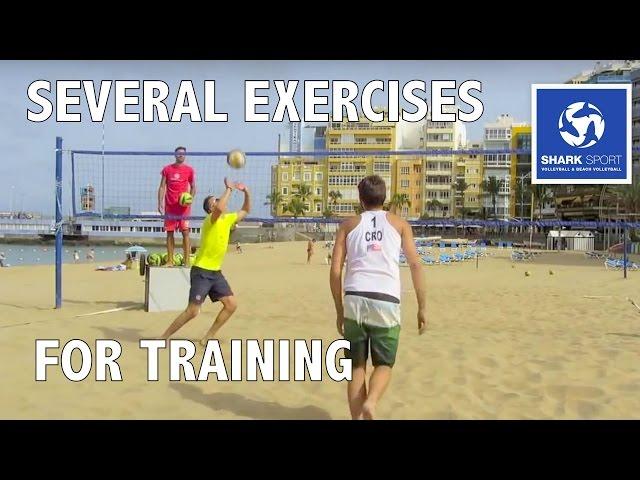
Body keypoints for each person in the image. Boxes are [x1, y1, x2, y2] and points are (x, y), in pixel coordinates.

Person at [330, 175, 427, 420]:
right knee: (384, 364)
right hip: (386, 298)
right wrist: (422, 306)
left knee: (356, 367)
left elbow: (335, 271)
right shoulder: (400, 224)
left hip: (354, 296)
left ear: (361, 199)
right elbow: (415, 265)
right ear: (384, 198)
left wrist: (340, 310)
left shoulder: (348, 225)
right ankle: (371, 402)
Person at [161, 178, 251, 345]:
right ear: (211, 208)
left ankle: (208, 336)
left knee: (231, 305)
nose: (218, 201)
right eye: (214, 201)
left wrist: (246, 192)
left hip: (215, 272)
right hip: (201, 271)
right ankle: (163, 337)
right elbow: (220, 208)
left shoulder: (229, 218)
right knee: (193, 311)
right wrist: (229, 189)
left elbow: (245, 210)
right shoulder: (210, 219)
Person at [158, 146, 196, 267]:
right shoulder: (167, 169)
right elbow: (162, 187)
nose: (181, 155)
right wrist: (159, 203)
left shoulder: (189, 170)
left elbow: (194, 187)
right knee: (169, 233)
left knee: (185, 233)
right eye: (179, 153)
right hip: (170, 206)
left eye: (183, 154)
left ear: (185, 155)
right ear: (175, 154)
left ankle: (187, 261)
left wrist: (190, 199)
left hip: (183, 208)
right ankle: (170, 261)